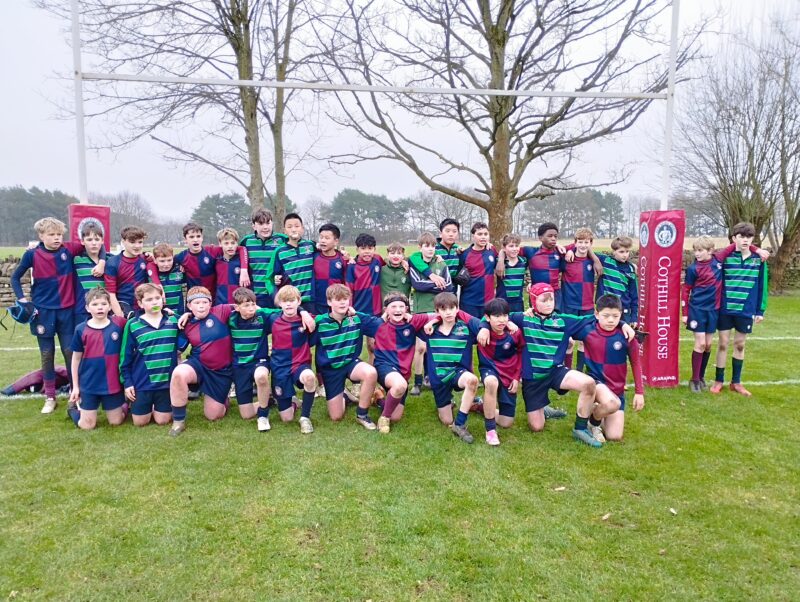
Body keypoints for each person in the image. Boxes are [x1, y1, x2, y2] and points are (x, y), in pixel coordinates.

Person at [507, 282, 635, 447]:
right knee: (536, 427)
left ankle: (580, 428)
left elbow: (598, 317)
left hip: (556, 372)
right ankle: (542, 407)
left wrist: (623, 323)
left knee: (588, 383)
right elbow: (493, 316)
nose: (548, 304)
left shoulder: (563, 320)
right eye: (543, 300)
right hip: (533, 378)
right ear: (533, 301)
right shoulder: (522, 318)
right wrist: (508, 322)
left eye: (551, 299)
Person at [12, 217, 105, 413]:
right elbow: (15, 277)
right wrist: (21, 298)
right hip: (42, 312)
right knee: (47, 355)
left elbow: (97, 244)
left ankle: (74, 392)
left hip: (66, 311)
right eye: (51, 235)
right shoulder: (32, 255)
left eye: (59, 235)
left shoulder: (69, 249)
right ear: (41, 235)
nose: (56, 238)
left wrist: (103, 262)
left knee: (70, 353)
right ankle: (50, 397)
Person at [682, 235, 767, 392]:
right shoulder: (693, 269)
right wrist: (685, 313)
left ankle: (701, 377)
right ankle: (694, 380)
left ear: (711, 251)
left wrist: (757, 249)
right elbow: (686, 290)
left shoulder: (719, 260)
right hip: (697, 310)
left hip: (714, 310)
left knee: (708, 345)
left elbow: (739, 243)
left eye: (700, 250)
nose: (697, 254)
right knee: (700, 344)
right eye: (695, 251)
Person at [228, 287, 314, 429]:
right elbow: (212, 312)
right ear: (237, 308)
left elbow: (287, 311)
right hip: (240, 366)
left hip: (261, 362)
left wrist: (303, 311)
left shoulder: (263, 315)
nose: (251, 308)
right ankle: (277, 400)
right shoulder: (229, 318)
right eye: (246, 305)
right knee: (247, 414)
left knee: (262, 377)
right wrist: (188, 314)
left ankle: (267, 414)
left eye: (253, 304)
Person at [709, 222, 769, 396]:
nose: (745, 240)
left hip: (746, 310)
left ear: (752, 238)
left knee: (740, 344)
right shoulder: (726, 257)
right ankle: (719, 380)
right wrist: (755, 248)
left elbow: (762, 287)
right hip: (726, 309)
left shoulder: (759, 260)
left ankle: (736, 382)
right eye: (741, 236)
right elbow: (715, 259)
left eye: (748, 237)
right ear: (734, 238)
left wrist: (760, 311)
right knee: (722, 344)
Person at [575, 294, 644, 442]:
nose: (611, 320)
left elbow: (636, 364)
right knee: (612, 403)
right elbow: (565, 322)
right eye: (606, 316)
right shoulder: (588, 330)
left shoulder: (627, 335)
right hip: (596, 383)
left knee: (614, 436)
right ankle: (593, 423)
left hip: (617, 390)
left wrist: (639, 392)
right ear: (596, 314)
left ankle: (596, 412)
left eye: (615, 316)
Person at [369, 293, 441, 434]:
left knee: (396, 416)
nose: (398, 310)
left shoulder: (413, 322)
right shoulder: (377, 324)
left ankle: (379, 398)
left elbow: (439, 315)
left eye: (402, 307)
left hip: (403, 373)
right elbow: (354, 315)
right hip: (384, 367)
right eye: (394, 306)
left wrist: (427, 321)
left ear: (407, 309)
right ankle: (384, 418)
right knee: (399, 386)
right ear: (386, 310)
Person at [169, 286, 236, 436]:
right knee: (179, 373)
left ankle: (223, 400)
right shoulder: (186, 323)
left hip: (220, 371)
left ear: (210, 303)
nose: (201, 306)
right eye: (197, 303)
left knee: (213, 416)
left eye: (205, 302)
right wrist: (184, 316)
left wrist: (301, 310)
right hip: (198, 364)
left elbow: (246, 305)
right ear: (189, 305)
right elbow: (179, 347)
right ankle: (178, 420)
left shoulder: (221, 311)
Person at [417, 292, 483, 443]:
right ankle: (458, 402)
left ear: (457, 309)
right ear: (437, 311)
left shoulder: (466, 329)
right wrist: (433, 321)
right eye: (443, 309)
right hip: (438, 378)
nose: (448, 312)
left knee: (472, 381)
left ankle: (460, 424)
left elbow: (486, 324)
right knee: (446, 420)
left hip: (457, 373)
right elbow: (409, 321)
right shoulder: (429, 330)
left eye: (452, 308)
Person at [312, 284, 379, 430]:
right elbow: (303, 338)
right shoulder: (320, 322)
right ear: (329, 302)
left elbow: (381, 325)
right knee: (336, 417)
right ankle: (345, 396)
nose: (343, 302)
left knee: (370, 373)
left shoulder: (356, 318)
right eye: (338, 299)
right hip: (331, 370)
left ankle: (362, 415)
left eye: (345, 299)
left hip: (351, 363)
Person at [119, 283, 182, 427]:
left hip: (166, 383)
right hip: (143, 382)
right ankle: (125, 406)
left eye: (157, 298)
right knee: (140, 423)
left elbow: (190, 327)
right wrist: (127, 382)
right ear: (140, 304)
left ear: (162, 300)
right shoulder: (133, 324)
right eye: (149, 300)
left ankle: (159, 407)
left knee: (163, 421)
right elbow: (125, 356)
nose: (154, 302)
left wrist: (185, 314)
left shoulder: (173, 321)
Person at [67, 287, 128, 429]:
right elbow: (75, 359)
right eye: (95, 305)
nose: (99, 308)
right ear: (88, 308)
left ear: (109, 306)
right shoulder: (81, 329)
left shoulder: (119, 324)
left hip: (112, 383)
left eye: (103, 304)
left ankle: (125, 406)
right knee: (87, 426)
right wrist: (75, 387)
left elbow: (138, 323)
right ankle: (72, 410)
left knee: (116, 422)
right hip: (89, 384)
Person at [263, 285, 318, 433]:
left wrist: (304, 313)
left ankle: (305, 418)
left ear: (298, 301)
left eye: (292, 300)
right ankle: (292, 402)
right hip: (280, 368)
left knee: (309, 377)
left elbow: (331, 317)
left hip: (299, 365)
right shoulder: (272, 318)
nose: (288, 304)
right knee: (286, 418)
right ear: (279, 303)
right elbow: (250, 308)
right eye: (285, 301)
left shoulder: (307, 320)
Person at [408, 231, 454, 396]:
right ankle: (417, 382)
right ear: (420, 247)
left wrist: (435, 284)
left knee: (435, 346)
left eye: (433, 246)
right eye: (426, 246)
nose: (430, 249)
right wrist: (435, 282)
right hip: (421, 311)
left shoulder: (441, 265)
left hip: (438, 311)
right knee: (420, 348)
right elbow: (417, 284)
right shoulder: (415, 263)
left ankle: (433, 379)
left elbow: (448, 286)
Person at [477, 298, 523, 446]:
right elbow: (459, 314)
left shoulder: (515, 333)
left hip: (509, 374)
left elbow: (522, 353)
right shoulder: (482, 331)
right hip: (489, 369)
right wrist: (483, 326)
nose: (501, 320)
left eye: (504, 316)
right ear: (487, 317)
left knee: (506, 422)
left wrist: (516, 378)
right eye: (497, 316)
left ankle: (479, 406)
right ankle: (490, 430)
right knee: (491, 382)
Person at [560, 227, 602, 370]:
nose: (583, 245)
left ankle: (579, 371)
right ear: (575, 242)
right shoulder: (566, 259)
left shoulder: (593, 260)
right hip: (569, 305)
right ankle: (566, 369)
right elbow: (553, 251)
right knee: (568, 340)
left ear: (591, 243)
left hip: (587, 306)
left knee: (585, 340)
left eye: (586, 242)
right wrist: (570, 249)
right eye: (580, 242)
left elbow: (615, 260)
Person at [174, 222, 249, 300]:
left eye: (198, 236)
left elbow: (241, 249)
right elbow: (165, 264)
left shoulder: (212, 251)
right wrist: (178, 266)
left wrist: (244, 269)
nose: (195, 240)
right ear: (185, 239)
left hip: (213, 299)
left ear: (202, 237)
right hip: (194, 299)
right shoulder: (181, 257)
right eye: (191, 237)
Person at [239, 208, 288, 309]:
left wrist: (317, 245)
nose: (265, 227)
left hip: (277, 293)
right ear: (254, 226)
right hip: (256, 294)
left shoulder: (282, 239)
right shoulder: (246, 241)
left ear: (272, 223)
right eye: (261, 224)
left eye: (268, 223)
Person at [274, 213, 317, 312]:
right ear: (284, 230)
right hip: (291, 301)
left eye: (297, 226)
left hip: (310, 300)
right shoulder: (280, 251)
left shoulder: (310, 246)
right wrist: (276, 278)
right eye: (289, 227)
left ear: (302, 228)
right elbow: (275, 274)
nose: (293, 229)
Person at [104, 226, 149, 316]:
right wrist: (119, 315)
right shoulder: (113, 263)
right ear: (123, 242)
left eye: (140, 242)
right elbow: (111, 293)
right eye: (132, 242)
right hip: (122, 310)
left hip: (143, 310)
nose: (137, 246)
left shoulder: (145, 259)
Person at [593, 236, 639, 326]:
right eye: (621, 252)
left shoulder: (631, 269)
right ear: (614, 252)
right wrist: (596, 261)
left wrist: (634, 316)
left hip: (623, 309)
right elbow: (586, 250)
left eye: (627, 251)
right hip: (604, 306)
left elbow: (634, 295)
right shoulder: (606, 261)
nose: (625, 255)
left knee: (623, 336)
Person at [519, 222, 566, 310]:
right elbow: (509, 249)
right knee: (536, 320)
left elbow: (578, 246)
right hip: (537, 293)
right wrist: (501, 257)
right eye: (550, 236)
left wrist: (560, 247)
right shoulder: (531, 252)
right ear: (540, 238)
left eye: (555, 236)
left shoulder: (560, 252)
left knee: (556, 321)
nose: (553, 239)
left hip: (555, 294)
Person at [457, 222, 498, 318]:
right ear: (473, 236)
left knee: (486, 331)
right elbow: (457, 276)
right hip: (469, 302)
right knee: (471, 331)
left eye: (485, 234)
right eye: (479, 234)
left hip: (489, 302)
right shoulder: (464, 254)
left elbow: (501, 260)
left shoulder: (492, 250)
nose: (483, 237)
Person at [72, 220, 107, 324]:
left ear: (102, 241)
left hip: (105, 310)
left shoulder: (110, 260)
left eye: (97, 239)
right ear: (82, 241)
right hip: (82, 311)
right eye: (89, 239)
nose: (94, 243)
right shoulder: (76, 260)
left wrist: (148, 256)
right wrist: (36, 247)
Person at [312, 223, 347, 315]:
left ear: (336, 241)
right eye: (321, 237)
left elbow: (346, 282)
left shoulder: (342, 259)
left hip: (337, 304)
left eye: (327, 238)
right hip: (317, 304)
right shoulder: (314, 257)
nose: (323, 241)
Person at [147, 242, 185, 315]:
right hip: (159, 314)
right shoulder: (149, 276)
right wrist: (160, 311)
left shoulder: (179, 271)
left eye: (169, 260)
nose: (166, 264)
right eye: (162, 261)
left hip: (178, 313)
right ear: (155, 260)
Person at [494, 233, 528, 313]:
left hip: (518, 302)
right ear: (504, 248)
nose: (514, 249)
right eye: (511, 246)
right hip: (502, 301)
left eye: (516, 246)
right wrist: (501, 257)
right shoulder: (498, 262)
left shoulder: (524, 261)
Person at [214, 227, 246, 305]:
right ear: (220, 244)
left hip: (238, 303)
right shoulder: (216, 261)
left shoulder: (242, 261)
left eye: (233, 243)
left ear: (237, 244)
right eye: (226, 243)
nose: (230, 246)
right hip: (220, 303)